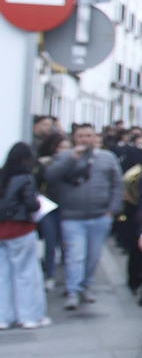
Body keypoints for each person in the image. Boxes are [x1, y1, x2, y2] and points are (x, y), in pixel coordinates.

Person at [43, 123, 122, 310]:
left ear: (95, 137)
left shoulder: (107, 158)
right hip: (72, 216)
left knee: (93, 256)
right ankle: (72, 290)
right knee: (74, 255)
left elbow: (117, 184)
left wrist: (112, 209)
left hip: (100, 215)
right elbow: (50, 176)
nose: (84, 139)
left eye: (88, 135)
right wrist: (71, 159)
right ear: (74, 138)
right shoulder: (64, 157)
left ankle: (85, 286)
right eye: (80, 136)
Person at [0, 143, 48, 330]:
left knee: (2, 275)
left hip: (2, 229)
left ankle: (4, 317)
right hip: (20, 229)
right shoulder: (24, 177)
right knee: (26, 273)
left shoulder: (2, 175)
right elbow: (32, 204)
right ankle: (29, 316)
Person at [33, 130, 65, 290]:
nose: (63, 151)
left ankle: (68, 278)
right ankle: (49, 275)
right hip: (49, 207)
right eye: (60, 147)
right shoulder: (44, 164)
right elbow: (37, 183)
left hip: (68, 207)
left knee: (66, 243)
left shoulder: (75, 163)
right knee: (50, 242)